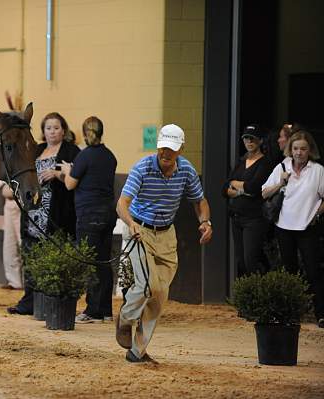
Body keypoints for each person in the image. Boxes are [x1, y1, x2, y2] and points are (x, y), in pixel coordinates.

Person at [115, 124, 212, 362]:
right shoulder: (143, 168)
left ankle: (137, 352)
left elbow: (200, 201)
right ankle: (125, 319)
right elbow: (122, 203)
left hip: (167, 234)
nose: (165, 153)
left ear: (181, 149)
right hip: (139, 229)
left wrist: (206, 222)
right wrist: (131, 223)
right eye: (162, 148)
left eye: (171, 149)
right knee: (149, 286)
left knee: (159, 296)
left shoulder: (186, 170)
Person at [7, 112, 80, 315]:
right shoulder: (37, 149)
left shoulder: (71, 151)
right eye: (48, 128)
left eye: (56, 127)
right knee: (30, 256)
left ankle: (51, 301)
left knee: (52, 256)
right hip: (33, 211)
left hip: (56, 211)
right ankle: (30, 299)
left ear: (63, 130)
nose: (52, 132)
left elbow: (77, 176)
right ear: (43, 131)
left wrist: (57, 174)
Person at [262, 130, 324, 328]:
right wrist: (281, 181)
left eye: (303, 149)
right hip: (284, 227)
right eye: (296, 148)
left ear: (310, 150)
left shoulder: (317, 170)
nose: (299, 153)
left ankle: (320, 313)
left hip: (308, 227)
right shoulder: (282, 166)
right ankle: (291, 314)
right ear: (291, 149)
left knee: (314, 271)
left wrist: (317, 214)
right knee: (290, 272)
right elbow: (264, 193)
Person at [60, 116, 117, 323]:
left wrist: (67, 171)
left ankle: (92, 310)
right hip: (108, 213)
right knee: (104, 261)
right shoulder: (110, 156)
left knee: (89, 261)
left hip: (88, 214)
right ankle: (106, 310)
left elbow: (70, 184)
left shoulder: (85, 156)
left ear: (85, 134)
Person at [222, 124, 273, 276]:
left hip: (254, 219)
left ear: (261, 141)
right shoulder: (241, 161)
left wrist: (236, 186)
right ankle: (248, 295)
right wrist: (240, 189)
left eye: (253, 139)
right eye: (246, 138)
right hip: (237, 218)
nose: (249, 142)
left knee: (251, 260)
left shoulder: (265, 163)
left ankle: (261, 293)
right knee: (242, 262)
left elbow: (254, 188)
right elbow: (224, 188)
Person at [0, 181, 23, 289]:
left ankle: (28, 282)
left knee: (24, 244)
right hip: (9, 204)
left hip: (23, 203)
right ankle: (14, 282)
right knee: (9, 246)